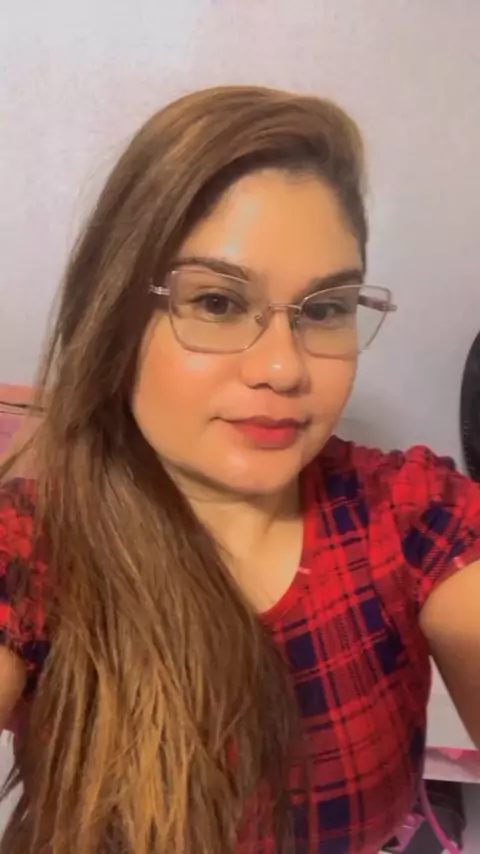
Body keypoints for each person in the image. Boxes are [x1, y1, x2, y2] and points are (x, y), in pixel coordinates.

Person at [0, 85, 479, 854]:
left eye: (324, 309)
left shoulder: (410, 514)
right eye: (219, 303)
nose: (284, 369)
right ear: (116, 313)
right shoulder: (34, 547)